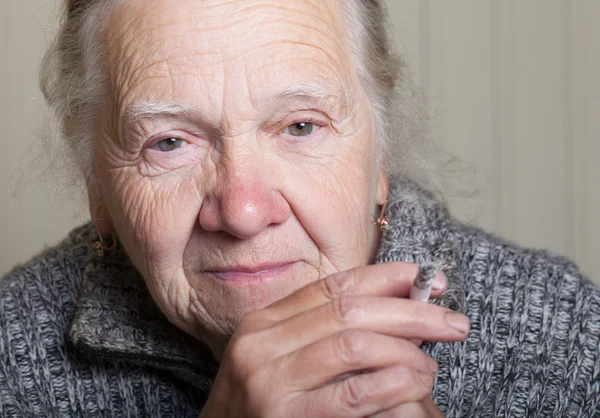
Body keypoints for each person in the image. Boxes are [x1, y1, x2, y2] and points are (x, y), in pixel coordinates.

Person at [1, 0, 599, 416]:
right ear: (97, 192)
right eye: (169, 142)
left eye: (300, 126)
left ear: (379, 159)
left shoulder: (571, 343)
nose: (242, 211)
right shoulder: (10, 356)